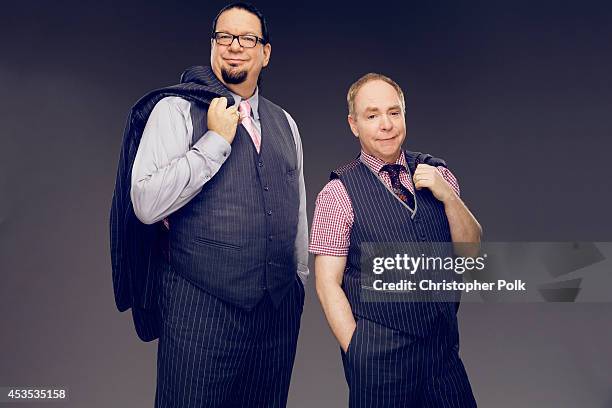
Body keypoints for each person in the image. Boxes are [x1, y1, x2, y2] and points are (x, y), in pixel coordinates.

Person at [110, 2, 308, 407]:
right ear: (213, 45)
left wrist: (298, 282)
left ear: (265, 52)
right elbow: (145, 203)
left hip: (276, 316)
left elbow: (296, 210)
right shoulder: (175, 110)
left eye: (247, 38)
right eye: (224, 37)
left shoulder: (286, 123)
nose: (234, 46)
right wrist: (215, 142)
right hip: (199, 313)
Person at [310, 73, 481, 407]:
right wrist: (357, 348)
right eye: (372, 115)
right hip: (380, 358)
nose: (386, 124)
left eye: (393, 112)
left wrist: (448, 197)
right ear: (354, 124)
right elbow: (326, 283)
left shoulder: (438, 174)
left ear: (404, 115)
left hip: (441, 351)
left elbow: (471, 252)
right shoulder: (338, 193)